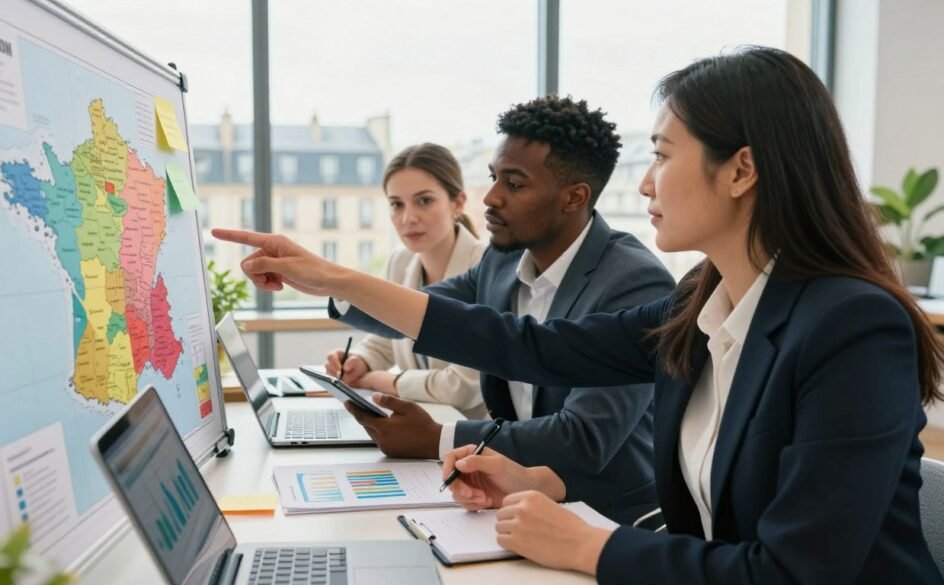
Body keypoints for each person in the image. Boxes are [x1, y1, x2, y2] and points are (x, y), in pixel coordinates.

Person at [213, 46, 944, 583]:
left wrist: (585, 542)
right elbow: (532, 346)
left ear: (743, 170)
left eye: (662, 155)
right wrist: (549, 486)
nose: (647, 181)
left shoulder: (853, 327)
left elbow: (794, 572)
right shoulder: (705, 299)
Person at [326, 95, 675, 524]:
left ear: (573, 197)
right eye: (493, 178)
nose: (489, 197)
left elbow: (583, 439)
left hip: (609, 518)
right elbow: (423, 312)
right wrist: (334, 285)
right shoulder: (502, 261)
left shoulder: (633, 282)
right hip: (512, 501)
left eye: (514, 184)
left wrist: (436, 437)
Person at [324, 143, 489, 419]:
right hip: (423, 422)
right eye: (396, 204)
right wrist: (360, 361)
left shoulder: (485, 267)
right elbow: (390, 336)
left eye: (424, 201)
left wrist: (380, 381)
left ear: (458, 203)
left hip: (474, 432)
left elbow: (464, 386)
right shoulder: (400, 262)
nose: (408, 218)